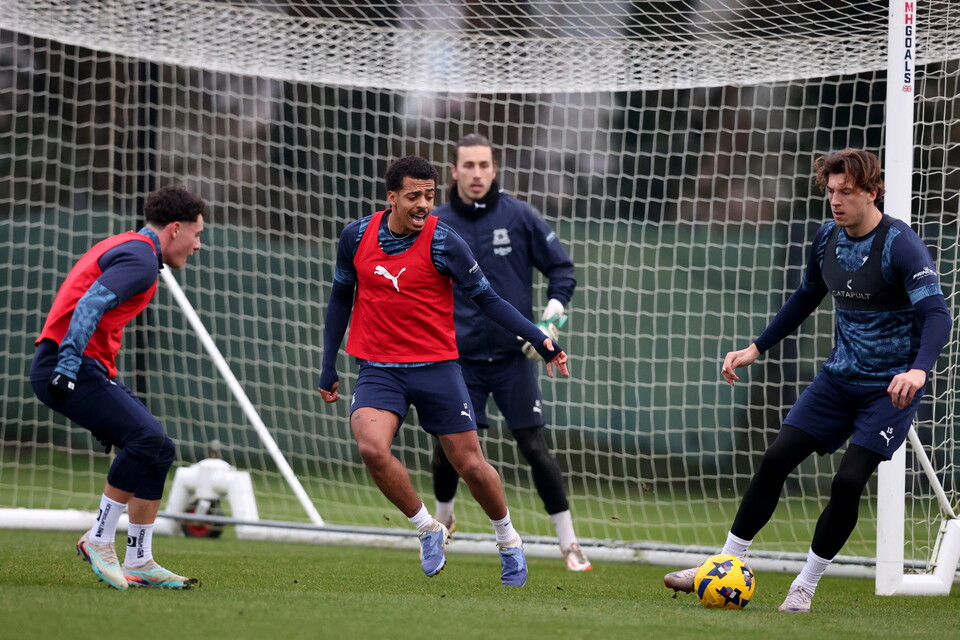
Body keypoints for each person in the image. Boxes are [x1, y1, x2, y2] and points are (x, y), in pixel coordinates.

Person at [663, 149, 952, 612]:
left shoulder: (901, 245)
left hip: (888, 392)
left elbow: (937, 313)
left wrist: (917, 370)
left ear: (872, 192)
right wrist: (756, 347)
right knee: (776, 458)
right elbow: (805, 297)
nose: (836, 201)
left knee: (847, 482)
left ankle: (806, 585)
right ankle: (724, 561)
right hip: (837, 382)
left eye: (847, 192)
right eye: (831, 191)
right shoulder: (826, 239)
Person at [317, 155, 570, 587]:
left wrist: (542, 340)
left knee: (471, 464)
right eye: (413, 196)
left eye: (430, 196)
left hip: (437, 367)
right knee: (372, 448)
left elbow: (488, 300)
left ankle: (508, 540)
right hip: (379, 368)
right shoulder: (356, 236)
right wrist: (328, 364)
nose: (422, 204)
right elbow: (341, 297)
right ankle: (428, 527)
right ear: (391, 197)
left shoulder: (444, 241)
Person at [428, 134, 591, 572]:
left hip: (512, 358)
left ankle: (569, 543)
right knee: (447, 448)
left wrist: (549, 322)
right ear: (455, 171)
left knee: (534, 447)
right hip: (456, 360)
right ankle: (441, 526)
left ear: (494, 169)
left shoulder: (520, 217)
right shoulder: (435, 224)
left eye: (484, 165)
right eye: (469, 165)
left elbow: (562, 269)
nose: (477, 173)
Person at [30, 185, 206, 591]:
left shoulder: (133, 248)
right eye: (197, 235)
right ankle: (99, 539)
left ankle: (140, 559)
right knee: (144, 436)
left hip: (87, 367)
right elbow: (90, 304)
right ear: (176, 229)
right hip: (66, 364)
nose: (197, 245)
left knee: (159, 448)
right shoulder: (141, 260)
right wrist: (70, 366)